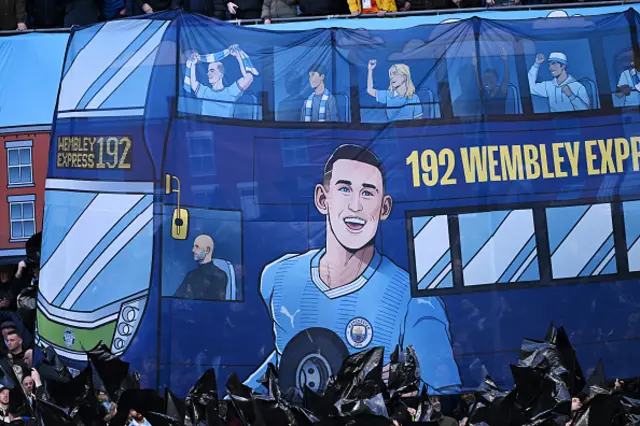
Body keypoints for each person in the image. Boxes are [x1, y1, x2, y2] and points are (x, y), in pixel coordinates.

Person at [244, 144, 460, 394]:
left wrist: (396, 385)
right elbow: (284, 360)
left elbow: (443, 395)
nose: (355, 206)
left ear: (384, 208)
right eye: (345, 189)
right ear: (322, 199)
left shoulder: (413, 300)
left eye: (367, 193)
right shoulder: (278, 277)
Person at [188, 45, 255, 118]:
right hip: (207, 127)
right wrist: (193, 64)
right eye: (208, 71)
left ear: (221, 74)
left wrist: (238, 57)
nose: (208, 74)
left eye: (212, 70)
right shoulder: (204, 92)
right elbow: (192, 82)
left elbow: (249, 77)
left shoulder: (231, 92)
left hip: (225, 128)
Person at [174, 234, 228, 301]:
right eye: (193, 246)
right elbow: (176, 298)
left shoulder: (219, 276)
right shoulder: (191, 275)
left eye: (197, 247)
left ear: (207, 250)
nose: (193, 250)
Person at [473, 47, 510, 115]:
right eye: (485, 78)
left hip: (501, 122)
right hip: (487, 124)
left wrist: (505, 60)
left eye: (490, 78)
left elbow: (506, 78)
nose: (487, 80)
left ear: (496, 79)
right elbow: (478, 80)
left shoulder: (502, 91)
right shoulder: (485, 93)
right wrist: (475, 64)